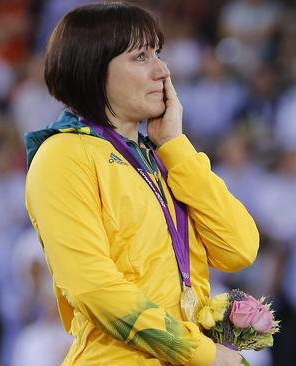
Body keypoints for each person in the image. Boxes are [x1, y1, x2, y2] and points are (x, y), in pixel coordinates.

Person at [24, 2, 259, 366]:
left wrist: (175, 146)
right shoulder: (62, 156)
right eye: (141, 57)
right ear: (93, 68)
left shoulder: (160, 160)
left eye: (158, 54)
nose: (163, 71)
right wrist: (202, 354)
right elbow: (93, 287)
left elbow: (239, 248)